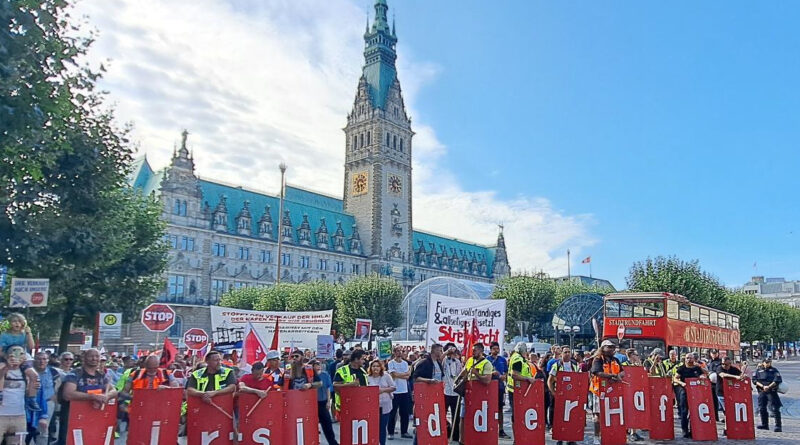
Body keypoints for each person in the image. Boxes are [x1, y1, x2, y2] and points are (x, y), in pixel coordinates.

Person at [59, 348, 118, 445]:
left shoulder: (102, 375)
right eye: (91, 356)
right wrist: (93, 397)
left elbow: (114, 390)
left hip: (95, 417)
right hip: (73, 418)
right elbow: (68, 394)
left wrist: (106, 396)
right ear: (84, 358)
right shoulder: (75, 374)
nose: (94, 359)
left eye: (97, 356)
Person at [0, 313, 41, 412]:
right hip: (6, 355)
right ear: (10, 323)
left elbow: (31, 347)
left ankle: (32, 398)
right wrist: (6, 357)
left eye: (19, 321)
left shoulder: (23, 334)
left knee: (34, 375)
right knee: (1, 371)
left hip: (21, 356)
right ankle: (0, 392)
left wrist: (29, 333)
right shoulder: (4, 335)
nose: (17, 324)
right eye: (14, 321)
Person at [590, 340, 625, 445]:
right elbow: (597, 372)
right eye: (609, 347)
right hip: (599, 391)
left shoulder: (615, 360)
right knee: (598, 415)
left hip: (613, 391)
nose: (611, 349)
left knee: (613, 414)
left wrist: (619, 375)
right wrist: (611, 376)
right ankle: (597, 436)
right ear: (603, 348)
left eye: (613, 347)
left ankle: (611, 435)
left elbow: (622, 371)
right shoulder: (598, 360)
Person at [457, 343, 493, 444]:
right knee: (463, 416)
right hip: (468, 393)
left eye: (475, 350)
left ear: (481, 351)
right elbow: (465, 371)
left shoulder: (487, 364)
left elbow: (487, 381)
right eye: (472, 350)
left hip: (479, 396)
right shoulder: (470, 360)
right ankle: (462, 440)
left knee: (477, 417)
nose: (473, 352)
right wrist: (458, 379)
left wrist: (476, 373)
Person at [547, 347, 579, 445]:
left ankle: (571, 438)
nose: (567, 354)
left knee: (572, 417)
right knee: (559, 417)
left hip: (571, 395)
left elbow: (579, 378)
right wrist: (553, 393)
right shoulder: (556, 365)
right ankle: (559, 438)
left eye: (569, 352)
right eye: (565, 352)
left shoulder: (575, 365)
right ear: (561, 354)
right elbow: (550, 380)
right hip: (560, 395)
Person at [672, 352, 709, 439]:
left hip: (695, 392)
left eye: (691, 358)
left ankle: (693, 430)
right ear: (685, 360)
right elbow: (675, 378)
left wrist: (700, 369)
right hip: (684, 391)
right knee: (684, 412)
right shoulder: (681, 368)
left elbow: (706, 374)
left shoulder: (697, 368)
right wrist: (682, 383)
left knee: (694, 412)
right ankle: (685, 430)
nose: (689, 360)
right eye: (688, 358)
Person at [506, 342, 537, 439]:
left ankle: (518, 437)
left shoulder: (515, 357)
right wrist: (528, 379)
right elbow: (515, 375)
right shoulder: (518, 359)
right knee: (517, 416)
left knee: (517, 416)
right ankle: (518, 438)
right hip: (517, 391)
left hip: (517, 390)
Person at [31, 351, 60, 445]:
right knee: (29, 428)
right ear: (34, 360)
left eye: (44, 359)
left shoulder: (53, 372)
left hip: (47, 403)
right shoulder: (29, 371)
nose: (41, 361)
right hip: (31, 403)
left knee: (43, 429)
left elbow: (58, 386)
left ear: (48, 360)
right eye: (39, 359)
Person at [367, 359, 396, 445]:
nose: (375, 368)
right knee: (373, 427)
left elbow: (393, 387)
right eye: (373, 366)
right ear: (371, 368)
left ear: (381, 367)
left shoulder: (386, 376)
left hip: (384, 405)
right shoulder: (367, 377)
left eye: (377, 366)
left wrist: (383, 390)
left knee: (382, 427)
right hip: (372, 406)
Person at [387, 347, 412, 440]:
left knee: (404, 413)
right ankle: (390, 432)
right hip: (395, 390)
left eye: (401, 351)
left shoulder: (405, 363)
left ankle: (404, 431)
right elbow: (393, 375)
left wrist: (400, 375)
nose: (399, 353)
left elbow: (408, 376)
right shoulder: (391, 363)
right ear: (394, 352)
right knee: (392, 413)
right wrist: (403, 374)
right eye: (397, 351)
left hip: (404, 390)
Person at [619, 348, 644, 442]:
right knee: (628, 411)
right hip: (627, 391)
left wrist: (639, 363)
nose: (638, 356)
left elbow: (642, 373)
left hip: (636, 390)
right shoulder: (624, 365)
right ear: (631, 355)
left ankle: (634, 431)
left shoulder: (637, 365)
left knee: (635, 411)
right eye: (636, 355)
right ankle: (628, 431)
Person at [311, 359, 338, 445]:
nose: (318, 367)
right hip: (312, 402)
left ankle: (333, 442)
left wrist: (328, 401)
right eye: (316, 365)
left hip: (323, 402)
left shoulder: (325, 375)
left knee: (327, 423)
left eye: (319, 365)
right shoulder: (310, 376)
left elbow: (328, 388)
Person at [333, 349, 368, 415]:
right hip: (345, 407)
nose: (364, 361)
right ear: (356, 359)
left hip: (360, 406)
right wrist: (350, 384)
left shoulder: (363, 371)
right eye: (362, 359)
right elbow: (335, 386)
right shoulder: (342, 371)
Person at [716, 356, 743, 436]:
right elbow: (723, 375)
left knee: (730, 411)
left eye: (727, 364)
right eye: (723, 364)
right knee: (727, 411)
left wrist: (742, 376)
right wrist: (735, 377)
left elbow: (741, 375)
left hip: (732, 392)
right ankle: (726, 429)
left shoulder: (733, 369)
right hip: (721, 392)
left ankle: (729, 428)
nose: (725, 366)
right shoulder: (719, 368)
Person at [754, 357, 782, 432]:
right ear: (763, 363)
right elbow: (754, 380)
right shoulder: (758, 371)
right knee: (762, 408)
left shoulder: (774, 370)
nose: (768, 363)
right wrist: (763, 386)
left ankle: (778, 426)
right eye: (766, 362)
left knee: (775, 408)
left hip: (771, 391)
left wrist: (769, 386)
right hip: (762, 391)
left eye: (769, 362)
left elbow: (777, 380)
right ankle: (764, 424)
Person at [487, 341, 509, 438]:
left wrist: (504, 376)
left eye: (497, 348)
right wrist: (492, 374)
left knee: (500, 409)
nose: (496, 350)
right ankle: (489, 428)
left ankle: (501, 429)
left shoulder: (502, 360)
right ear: (491, 350)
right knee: (489, 408)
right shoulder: (487, 360)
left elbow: (506, 372)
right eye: (494, 349)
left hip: (500, 387)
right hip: (490, 387)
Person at [442, 344, 463, 442]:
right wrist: (447, 352)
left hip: (455, 393)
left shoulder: (458, 362)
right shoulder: (444, 360)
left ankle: (455, 436)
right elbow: (439, 359)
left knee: (456, 415)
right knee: (443, 414)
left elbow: (460, 374)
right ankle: (443, 433)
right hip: (445, 391)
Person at [707, 349, 722, 422]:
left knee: (720, 400)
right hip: (711, 383)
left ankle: (724, 417)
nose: (714, 354)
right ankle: (715, 416)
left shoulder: (720, 362)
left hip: (718, 383)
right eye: (712, 353)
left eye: (715, 353)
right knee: (713, 400)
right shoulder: (709, 362)